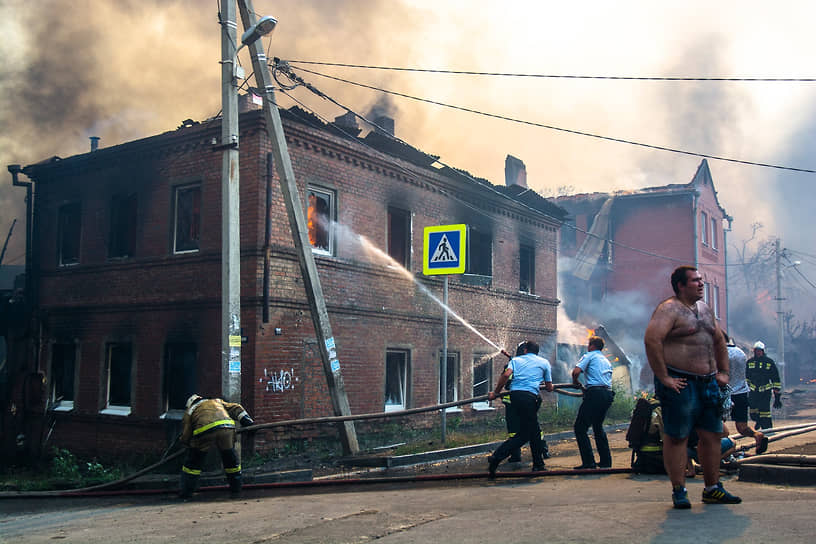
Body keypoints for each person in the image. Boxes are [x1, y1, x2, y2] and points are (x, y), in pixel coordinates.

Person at [644, 265, 741, 508]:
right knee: (677, 437)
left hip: (708, 382)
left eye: (701, 280)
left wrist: (724, 372)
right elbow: (652, 339)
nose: (701, 284)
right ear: (680, 285)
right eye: (695, 281)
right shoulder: (669, 309)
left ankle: (712, 489)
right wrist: (664, 377)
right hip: (681, 382)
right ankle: (679, 491)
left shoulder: (705, 309)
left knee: (712, 435)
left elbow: (719, 340)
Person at [487, 340, 553, 477]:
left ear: (525, 350)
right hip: (530, 399)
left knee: (531, 432)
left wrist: (496, 393)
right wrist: (550, 387)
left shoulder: (515, 361)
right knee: (528, 433)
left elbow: (506, 375)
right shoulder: (544, 363)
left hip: (515, 397)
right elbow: (548, 387)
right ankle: (497, 457)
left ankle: (538, 465)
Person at [179, 394, 255, 500]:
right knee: (230, 459)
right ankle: (236, 488)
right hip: (227, 428)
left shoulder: (190, 410)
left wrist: (186, 443)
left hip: (204, 431)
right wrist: (248, 422)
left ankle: (186, 492)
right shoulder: (217, 401)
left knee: (193, 463)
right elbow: (236, 408)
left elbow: (186, 432)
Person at [571, 335, 615, 469]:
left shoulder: (589, 355)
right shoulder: (606, 360)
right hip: (607, 394)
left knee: (580, 428)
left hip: (595, 394)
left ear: (592, 346)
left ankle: (588, 462)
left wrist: (576, 383)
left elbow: (576, 372)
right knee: (597, 426)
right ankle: (606, 462)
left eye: (588, 344)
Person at [723, 333, 768, 454]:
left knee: (716, 425)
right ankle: (757, 435)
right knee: (742, 427)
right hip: (742, 393)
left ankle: (725, 449)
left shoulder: (720, 353)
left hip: (725, 393)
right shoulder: (740, 353)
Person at [746, 340, 781, 430]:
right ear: (754, 351)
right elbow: (746, 376)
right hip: (753, 392)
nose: (758, 352)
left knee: (765, 412)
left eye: (760, 350)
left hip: (765, 392)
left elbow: (775, 377)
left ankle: (768, 430)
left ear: (763, 351)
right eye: (756, 350)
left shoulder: (769, 362)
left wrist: (777, 395)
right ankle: (759, 421)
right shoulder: (750, 362)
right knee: (753, 412)